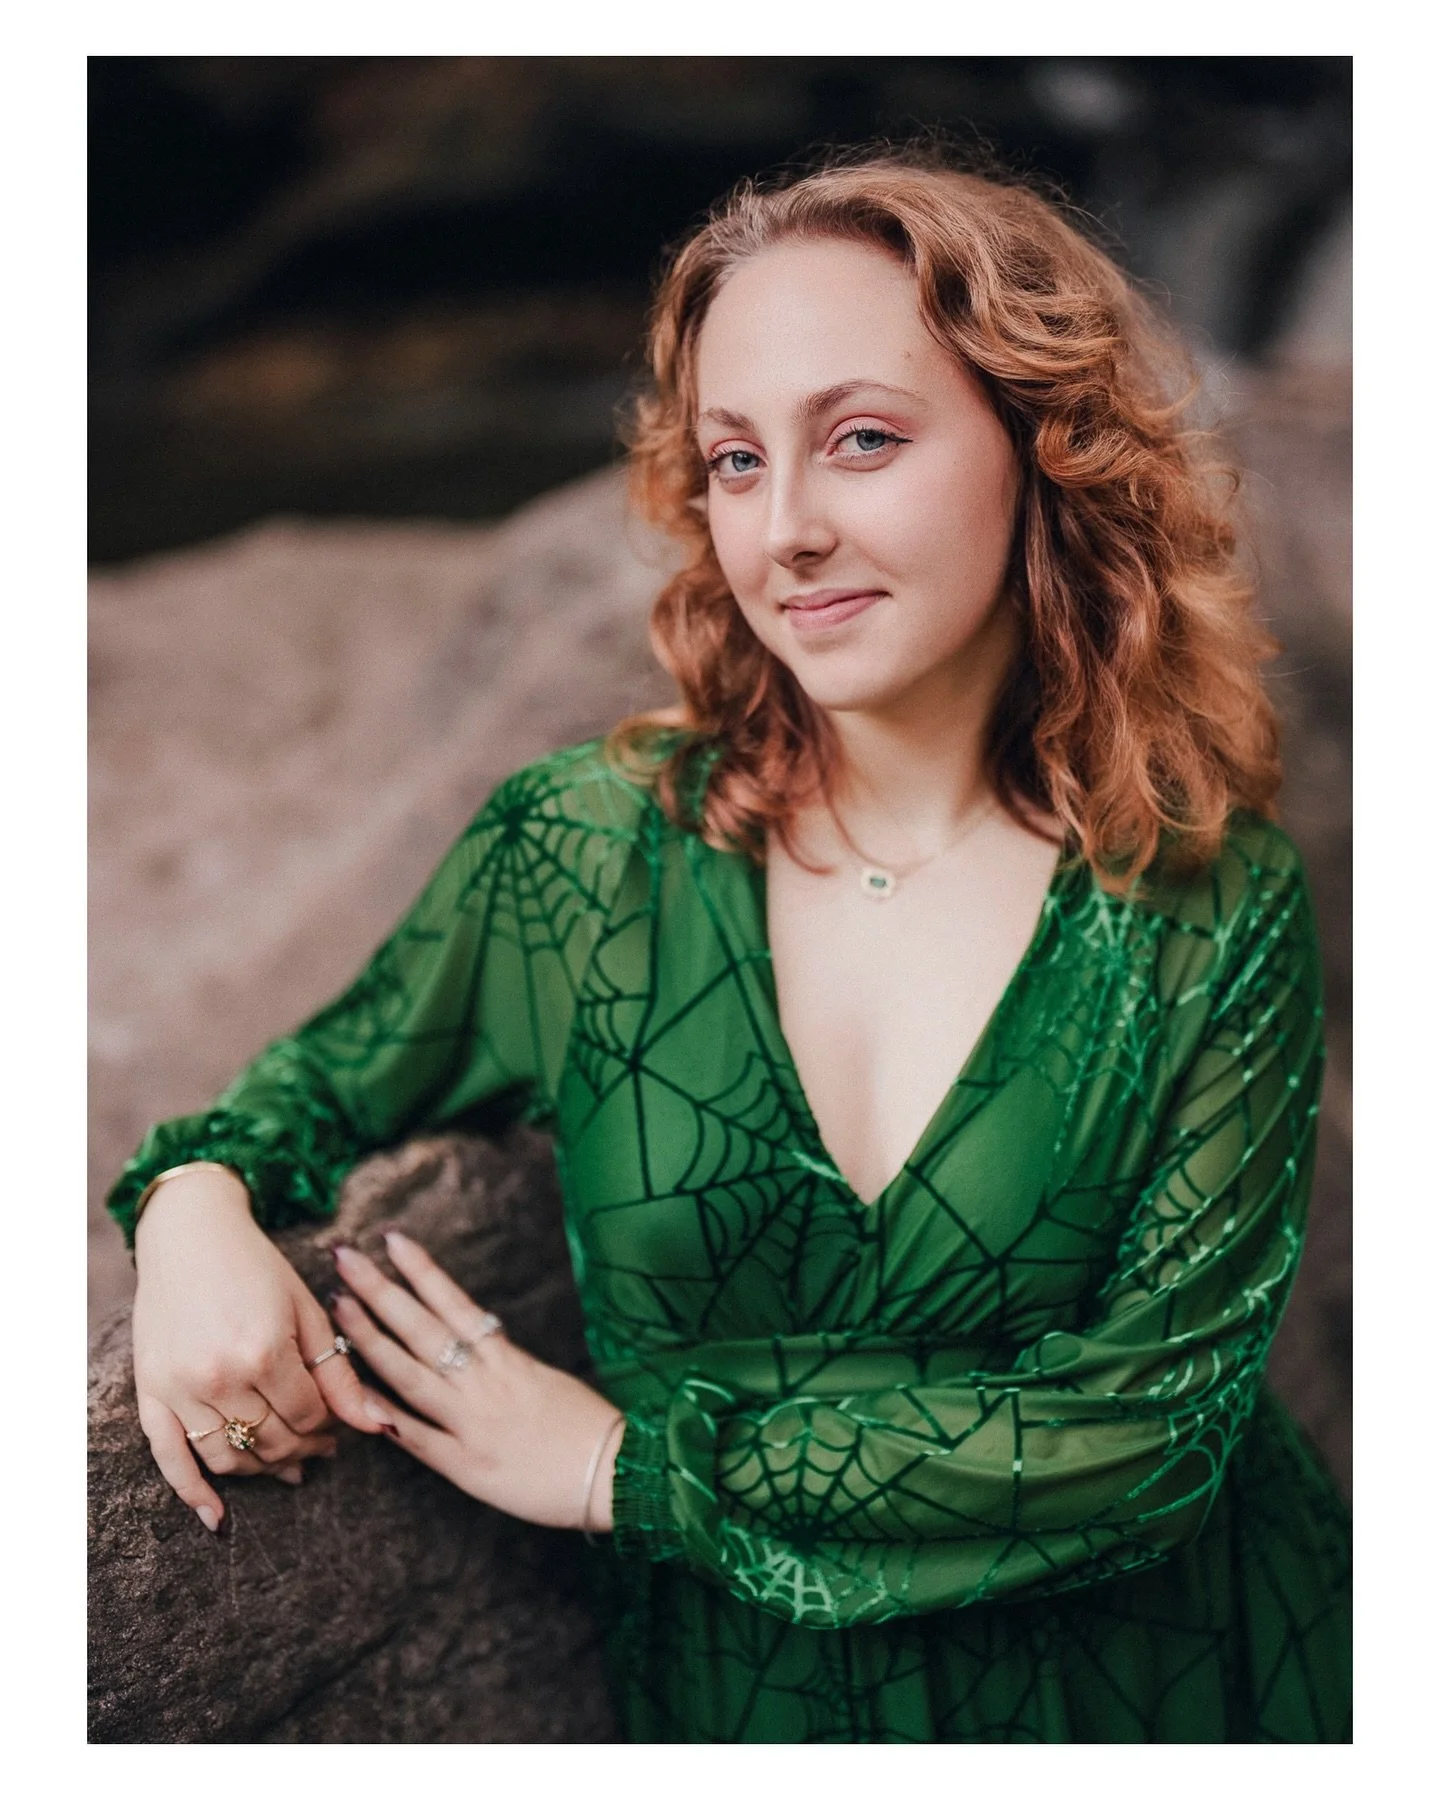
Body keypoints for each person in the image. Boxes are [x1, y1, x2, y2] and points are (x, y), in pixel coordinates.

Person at [106, 146, 1351, 1744]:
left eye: (863, 442)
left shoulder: (1206, 902)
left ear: (1046, 449)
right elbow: (302, 1096)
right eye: (738, 462)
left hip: (1182, 1691)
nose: (790, 532)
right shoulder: (586, 852)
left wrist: (624, 1469)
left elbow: (1155, 1432)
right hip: (749, 1714)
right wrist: (193, 1211)